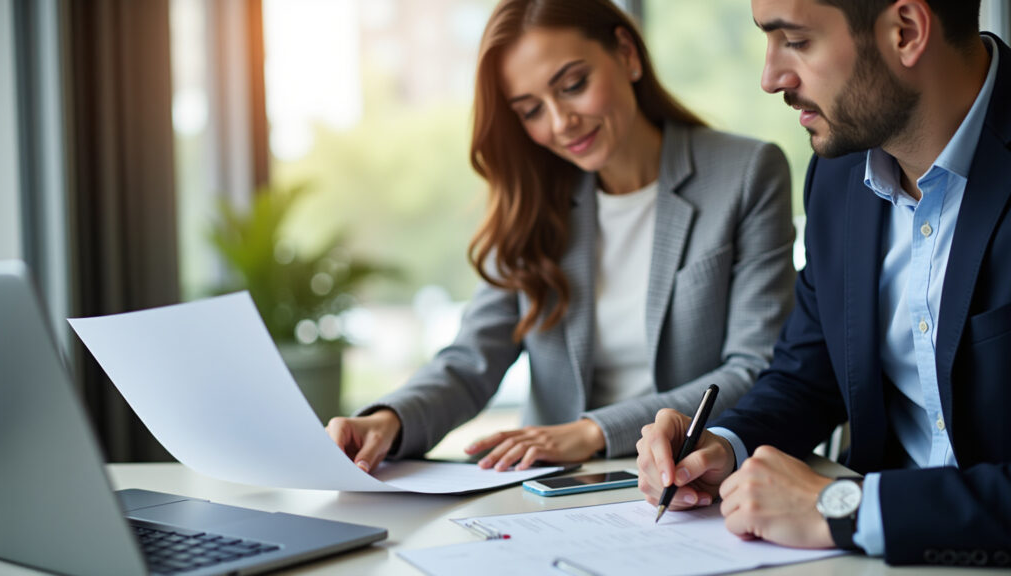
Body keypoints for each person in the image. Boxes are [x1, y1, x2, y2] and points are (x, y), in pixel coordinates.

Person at [328, 0, 795, 475]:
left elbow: (754, 368)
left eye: (573, 86)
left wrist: (592, 432)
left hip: (690, 477)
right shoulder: (533, 200)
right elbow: (472, 360)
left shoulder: (746, 174)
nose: (559, 122)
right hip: (550, 487)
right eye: (530, 110)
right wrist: (389, 420)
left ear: (627, 53)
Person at [636, 0, 1011, 567]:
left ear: (905, 32)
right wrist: (722, 448)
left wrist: (847, 507)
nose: (770, 78)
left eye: (797, 41)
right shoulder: (838, 175)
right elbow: (806, 374)